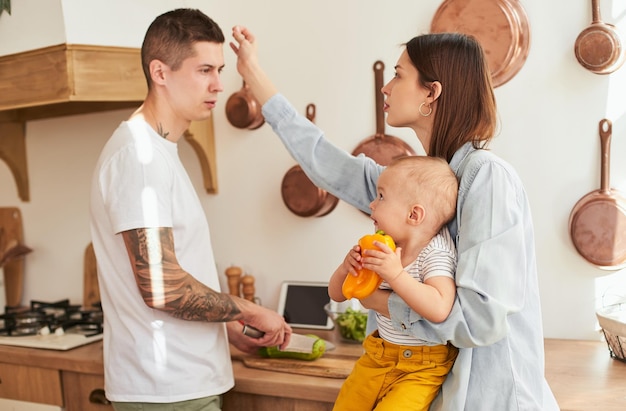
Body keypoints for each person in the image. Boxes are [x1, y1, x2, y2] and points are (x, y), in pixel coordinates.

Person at [230, 27, 560, 410]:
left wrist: (376, 298)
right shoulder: (409, 183)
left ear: (431, 93)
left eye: (399, 75)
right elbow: (323, 161)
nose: (386, 88)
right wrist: (252, 72)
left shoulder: (485, 176)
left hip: (494, 399)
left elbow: (479, 320)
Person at [89, 10, 291, 411]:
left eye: (219, 69)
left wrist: (225, 324)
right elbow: (162, 286)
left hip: (181, 384)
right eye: (204, 70)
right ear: (160, 72)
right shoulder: (139, 157)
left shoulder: (157, 151)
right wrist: (251, 309)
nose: (218, 84)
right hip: (166, 390)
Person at [329, 155, 459, 411]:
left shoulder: (435, 253)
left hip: (422, 368)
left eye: (381, 196)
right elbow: (337, 294)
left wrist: (396, 275)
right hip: (377, 356)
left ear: (414, 214)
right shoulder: (383, 245)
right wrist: (346, 268)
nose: (371, 204)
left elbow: (440, 307)